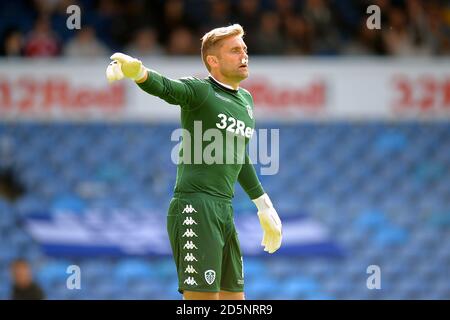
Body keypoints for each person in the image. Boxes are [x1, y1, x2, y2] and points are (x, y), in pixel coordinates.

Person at [106, 24, 282, 300]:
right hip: (195, 206)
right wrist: (139, 73)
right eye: (235, 50)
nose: (244, 55)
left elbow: (239, 156)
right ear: (213, 61)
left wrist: (263, 205)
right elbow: (167, 88)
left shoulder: (246, 100)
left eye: (244, 49)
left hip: (224, 209)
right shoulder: (201, 91)